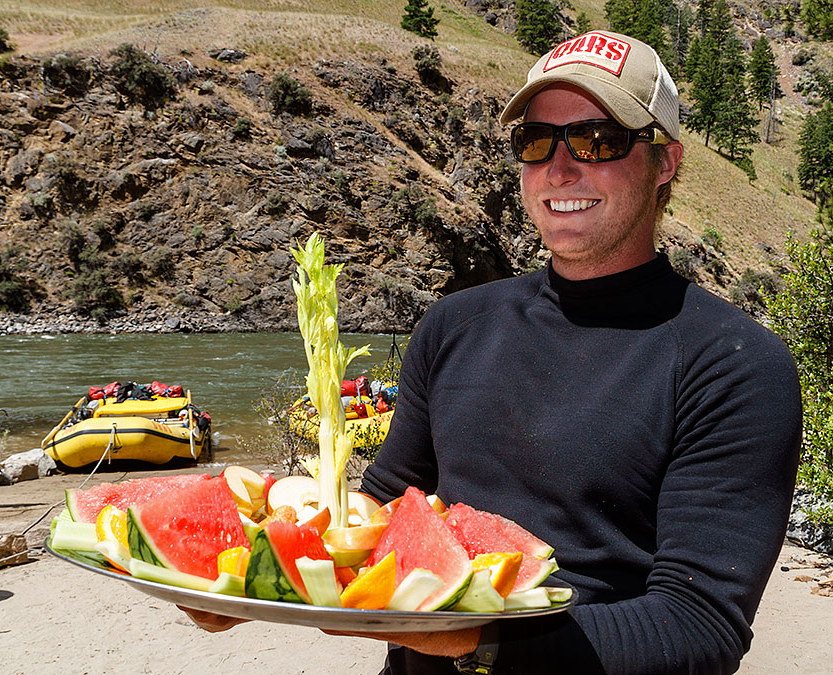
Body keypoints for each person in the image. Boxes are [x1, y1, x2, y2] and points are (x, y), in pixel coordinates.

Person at [183, 30, 802, 675]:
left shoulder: (734, 366)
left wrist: (481, 641)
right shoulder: (454, 326)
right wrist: (247, 571)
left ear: (665, 162)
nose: (562, 168)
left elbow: (699, 625)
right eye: (538, 142)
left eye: (598, 139)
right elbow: (384, 518)